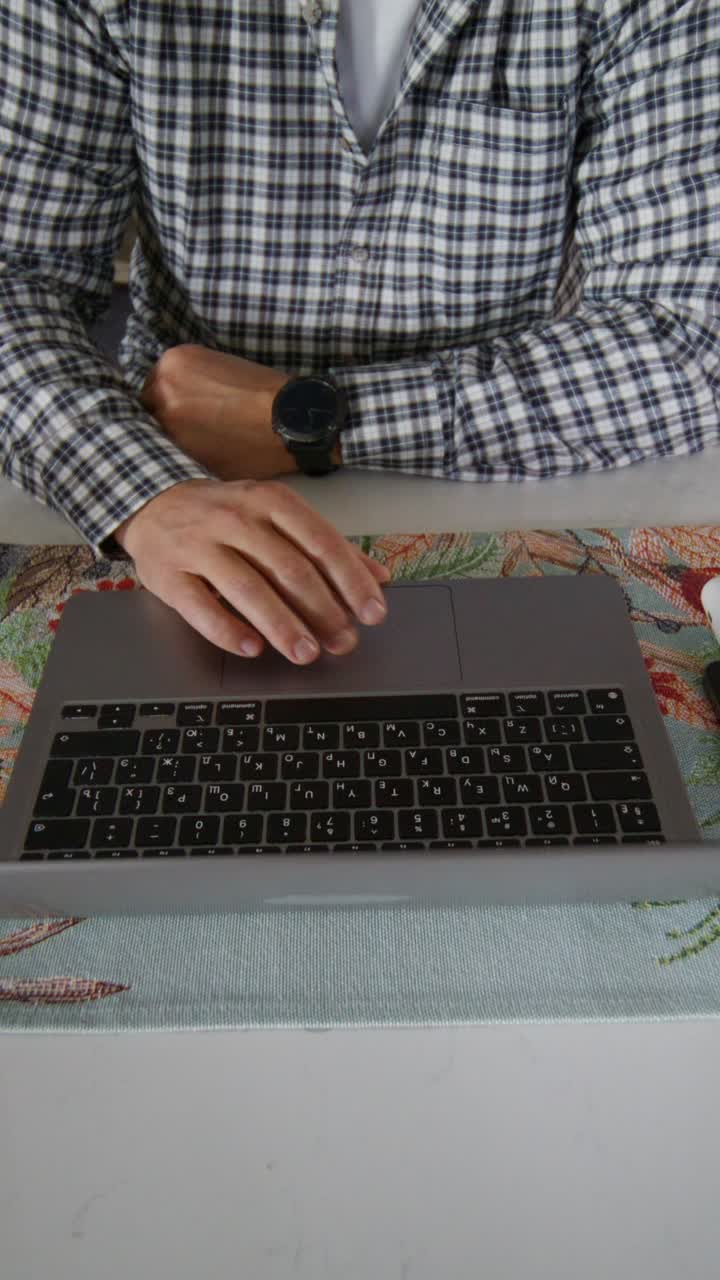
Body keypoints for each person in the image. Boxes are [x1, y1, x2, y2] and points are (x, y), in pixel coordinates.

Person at [0, 1, 718, 664]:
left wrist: (304, 420)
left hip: (519, 491)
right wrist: (138, 493)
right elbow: (15, 277)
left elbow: (692, 337)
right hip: (179, 485)